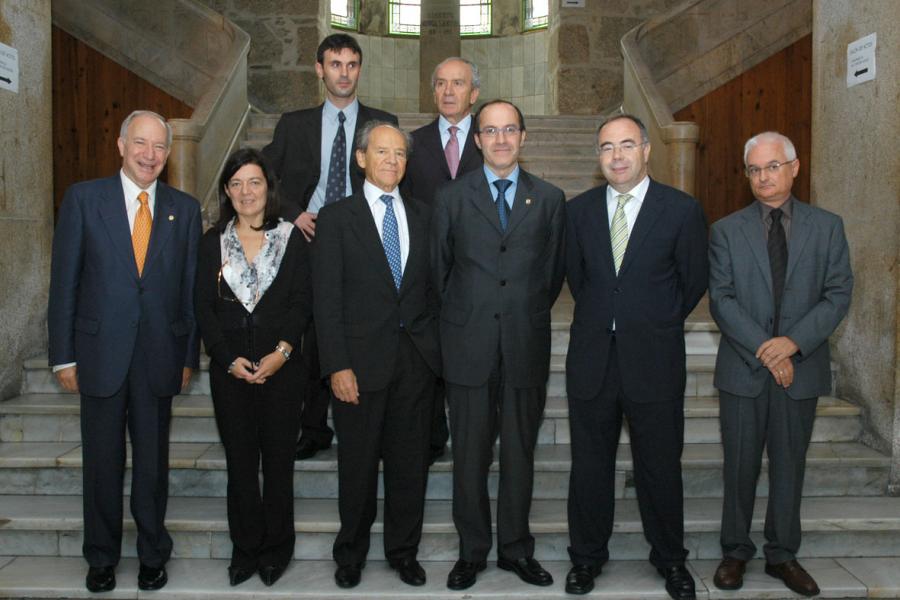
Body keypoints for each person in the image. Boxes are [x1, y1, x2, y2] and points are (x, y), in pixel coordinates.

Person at [47, 110, 201, 593]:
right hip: (98, 355)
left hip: (159, 355)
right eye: (140, 143)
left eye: (159, 147)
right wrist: (63, 355)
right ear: (120, 144)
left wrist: (188, 358)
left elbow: (190, 291)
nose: (149, 155)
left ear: (168, 153)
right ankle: (101, 557)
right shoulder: (83, 199)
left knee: (153, 466)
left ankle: (154, 553)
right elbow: (64, 283)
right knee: (102, 464)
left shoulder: (185, 208)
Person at [563, 114, 708, 600]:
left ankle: (670, 559)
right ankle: (586, 559)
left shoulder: (682, 210)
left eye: (627, 145)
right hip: (593, 362)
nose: (617, 156)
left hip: (655, 359)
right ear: (598, 156)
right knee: (589, 467)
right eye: (606, 147)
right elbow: (581, 282)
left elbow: (691, 283)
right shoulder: (577, 211)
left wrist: (649, 319)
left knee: (661, 467)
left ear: (647, 150)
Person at [708, 132, 852, 597]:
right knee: (740, 466)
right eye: (754, 169)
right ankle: (734, 551)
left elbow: (837, 294)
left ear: (794, 167)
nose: (763, 176)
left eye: (772, 166)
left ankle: (783, 555)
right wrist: (767, 349)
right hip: (742, 369)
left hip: (801, 367)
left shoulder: (827, 226)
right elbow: (722, 300)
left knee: (790, 464)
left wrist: (792, 343)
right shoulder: (726, 230)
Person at [432, 99, 565, 591]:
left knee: (519, 456)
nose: (501, 139)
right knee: (468, 456)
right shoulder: (451, 197)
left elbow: (550, 278)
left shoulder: (549, 199)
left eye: (510, 130)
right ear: (477, 139)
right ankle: (472, 552)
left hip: (525, 346)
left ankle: (515, 549)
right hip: (468, 348)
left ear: (524, 137)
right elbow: (438, 274)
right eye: (491, 131)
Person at [313, 122, 440, 589]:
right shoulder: (336, 218)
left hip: (416, 362)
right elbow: (325, 301)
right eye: (382, 152)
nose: (392, 160)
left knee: (410, 466)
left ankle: (404, 552)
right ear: (361, 158)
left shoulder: (425, 215)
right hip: (358, 366)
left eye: (400, 154)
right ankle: (351, 554)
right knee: (358, 467)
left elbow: (433, 290)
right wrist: (336, 365)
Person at [262, 33, 398, 461]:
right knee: (313, 335)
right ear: (320, 69)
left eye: (352, 64)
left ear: (360, 69)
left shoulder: (381, 123)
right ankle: (313, 426)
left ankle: (367, 420)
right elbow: (263, 176)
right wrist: (294, 211)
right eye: (335, 64)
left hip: (364, 247)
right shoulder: (294, 123)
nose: (344, 72)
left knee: (359, 329)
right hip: (310, 241)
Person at [194, 148, 312, 587]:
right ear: (227, 190)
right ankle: (245, 550)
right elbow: (203, 307)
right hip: (231, 371)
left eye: (255, 182)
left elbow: (303, 301)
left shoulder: (290, 238)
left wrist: (282, 352)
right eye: (237, 183)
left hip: (282, 368)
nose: (247, 192)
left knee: (279, 463)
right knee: (241, 464)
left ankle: (277, 550)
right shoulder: (212, 242)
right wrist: (225, 357)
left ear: (269, 188)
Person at [403, 56, 483, 465]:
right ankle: (433, 437)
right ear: (432, 90)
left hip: (477, 276)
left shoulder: (490, 141)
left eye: (458, 83)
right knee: (428, 360)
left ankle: (474, 441)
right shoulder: (412, 145)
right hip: (426, 273)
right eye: (441, 83)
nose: (448, 91)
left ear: (474, 93)